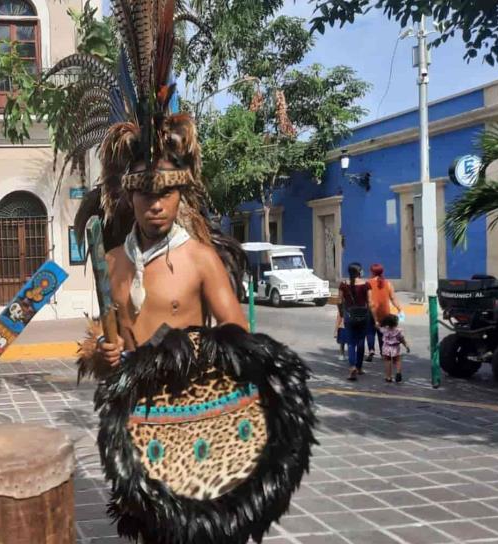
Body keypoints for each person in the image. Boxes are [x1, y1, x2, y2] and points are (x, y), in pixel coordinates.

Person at [60, 7, 316, 540]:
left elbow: (238, 336)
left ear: (181, 195)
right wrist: (102, 355)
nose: (156, 205)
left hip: (199, 409)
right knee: (152, 530)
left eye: (167, 194)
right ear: (128, 194)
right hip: (138, 416)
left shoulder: (200, 257)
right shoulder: (112, 262)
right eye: (146, 194)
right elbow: (106, 337)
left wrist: (184, 354)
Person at [339, 262, 371, 381]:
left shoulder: (343, 284)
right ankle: (359, 367)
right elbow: (370, 302)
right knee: (361, 342)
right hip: (363, 316)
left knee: (351, 343)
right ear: (359, 272)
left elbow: (339, 300)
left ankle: (352, 367)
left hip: (349, 315)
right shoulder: (365, 285)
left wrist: (342, 315)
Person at [368, 263, 403, 355]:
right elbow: (393, 298)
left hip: (371, 312)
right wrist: (399, 308)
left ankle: (371, 349)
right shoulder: (388, 283)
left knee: (370, 332)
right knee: (382, 333)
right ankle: (383, 351)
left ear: (372, 272)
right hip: (384, 312)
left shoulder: (368, 283)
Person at [379, 313, 410, 382]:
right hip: (395, 348)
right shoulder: (398, 331)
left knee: (388, 361)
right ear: (396, 323)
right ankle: (398, 372)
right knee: (397, 360)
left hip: (386, 347)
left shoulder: (384, 329)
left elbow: (378, 327)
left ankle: (388, 377)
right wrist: (406, 345)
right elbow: (402, 339)